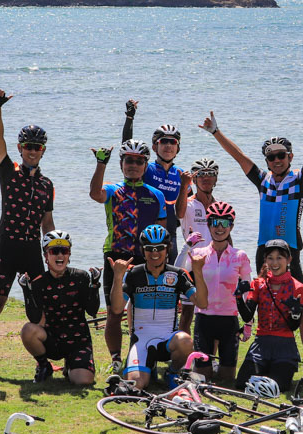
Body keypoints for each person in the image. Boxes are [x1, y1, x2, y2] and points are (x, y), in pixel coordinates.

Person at [200, 108, 303, 374]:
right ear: (267, 161)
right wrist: (215, 132)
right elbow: (239, 157)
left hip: (290, 251)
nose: (277, 160)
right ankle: (253, 356)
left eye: (281, 155)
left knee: (301, 310)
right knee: (257, 306)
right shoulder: (263, 181)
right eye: (271, 157)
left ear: (289, 157)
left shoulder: (300, 180)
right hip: (263, 252)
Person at [0, 85, 54, 365]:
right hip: (7, 245)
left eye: (37, 148)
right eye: (28, 147)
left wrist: (54, 252)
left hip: (33, 249)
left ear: (43, 151)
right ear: (21, 148)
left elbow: (48, 223)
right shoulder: (9, 171)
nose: (32, 151)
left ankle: (44, 361)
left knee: (42, 307)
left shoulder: (47, 184)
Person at [90, 140, 168, 372]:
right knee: (115, 311)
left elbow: (162, 233)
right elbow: (95, 194)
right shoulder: (114, 190)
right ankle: (115, 359)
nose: (133, 165)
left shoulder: (156, 195)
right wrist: (101, 163)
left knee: (144, 313)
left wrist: (161, 261)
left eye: (138, 161)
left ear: (145, 164)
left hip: (146, 259)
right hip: (115, 256)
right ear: (122, 164)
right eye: (128, 161)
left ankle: (142, 355)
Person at [108, 224, 205, 390]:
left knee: (186, 341)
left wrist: (198, 271)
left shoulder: (178, 274)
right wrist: (117, 277)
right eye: (149, 248)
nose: (155, 253)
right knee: (136, 385)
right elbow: (117, 309)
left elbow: (202, 303)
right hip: (141, 340)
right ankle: (147, 367)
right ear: (143, 250)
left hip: (168, 339)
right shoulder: (133, 274)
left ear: (167, 249)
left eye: (160, 248)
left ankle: (173, 372)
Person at [235, 239, 303, 393]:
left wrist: (295, 312)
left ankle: (272, 371)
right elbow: (247, 317)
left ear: (289, 259)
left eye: (280, 257)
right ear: (265, 260)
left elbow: (294, 326)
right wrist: (239, 298)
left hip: (285, 347)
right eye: (270, 258)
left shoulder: (298, 288)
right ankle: (265, 370)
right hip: (261, 344)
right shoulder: (258, 284)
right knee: (241, 384)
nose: (275, 262)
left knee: (279, 387)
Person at [19, 231, 99, 387]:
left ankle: (71, 365)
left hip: (78, 340)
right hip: (52, 340)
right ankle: (44, 366)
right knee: (28, 330)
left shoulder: (81, 277)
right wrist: (26, 290)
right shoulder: (39, 283)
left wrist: (95, 285)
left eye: (65, 251)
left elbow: (92, 310)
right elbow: (34, 319)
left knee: (83, 381)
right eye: (54, 251)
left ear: (69, 255)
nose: (60, 255)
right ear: (46, 256)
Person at [186, 201, 251, 383]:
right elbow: (177, 274)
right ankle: (205, 368)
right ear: (208, 225)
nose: (220, 228)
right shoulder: (198, 253)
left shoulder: (240, 256)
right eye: (215, 222)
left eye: (225, 223)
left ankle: (216, 367)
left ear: (231, 226)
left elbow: (248, 293)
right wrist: (186, 246)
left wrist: (248, 323)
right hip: (204, 319)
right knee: (203, 378)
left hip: (229, 320)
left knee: (227, 379)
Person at [122, 100, 191, 260]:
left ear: (178, 148)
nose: (168, 145)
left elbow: (182, 213)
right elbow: (127, 149)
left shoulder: (181, 174)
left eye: (172, 142)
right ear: (154, 147)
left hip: (170, 235)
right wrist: (129, 118)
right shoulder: (146, 168)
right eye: (163, 141)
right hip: (142, 234)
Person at [176, 158, 221, 269]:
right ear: (194, 180)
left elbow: (226, 236)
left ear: (215, 179)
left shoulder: (219, 206)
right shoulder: (187, 203)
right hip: (191, 262)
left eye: (210, 173)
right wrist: (184, 185)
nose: (206, 177)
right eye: (200, 174)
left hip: (214, 263)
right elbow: (179, 214)